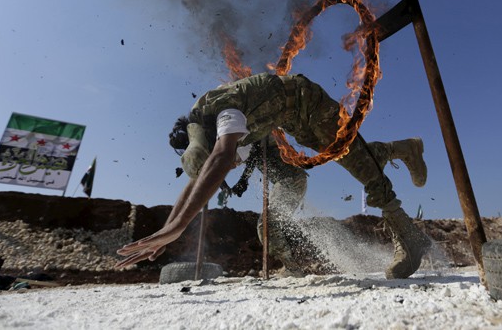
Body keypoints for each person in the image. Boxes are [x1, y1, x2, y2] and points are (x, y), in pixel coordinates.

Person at [116, 72, 431, 279]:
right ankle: (403, 148)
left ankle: (409, 235)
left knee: (358, 164)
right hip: (296, 119)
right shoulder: (208, 124)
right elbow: (198, 180)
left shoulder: (223, 113)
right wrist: (169, 229)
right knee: (350, 154)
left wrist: (180, 226)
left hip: (308, 102)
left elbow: (222, 158)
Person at [221, 135, 427, 276]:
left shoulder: (251, 136)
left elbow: (249, 154)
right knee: (268, 223)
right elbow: (247, 158)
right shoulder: (252, 140)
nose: (233, 164)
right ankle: (291, 267)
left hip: (291, 181)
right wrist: (241, 181)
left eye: (233, 160)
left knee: (267, 223)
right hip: (287, 181)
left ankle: (292, 268)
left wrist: (241, 180)